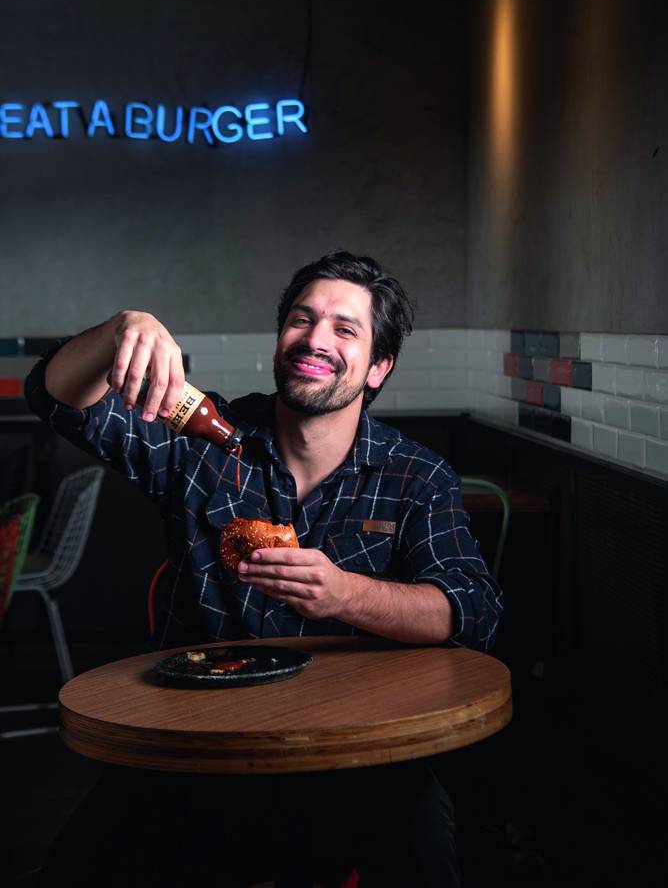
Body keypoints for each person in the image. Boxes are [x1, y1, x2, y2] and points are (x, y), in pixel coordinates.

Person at [25, 250, 503, 888]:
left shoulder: (415, 475)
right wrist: (121, 330)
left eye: (344, 328)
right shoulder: (201, 438)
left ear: (378, 368)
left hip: (354, 759)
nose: (315, 339)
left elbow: (472, 612)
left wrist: (345, 595)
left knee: (423, 829)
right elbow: (55, 397)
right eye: (302, 320)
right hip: (197, 754)